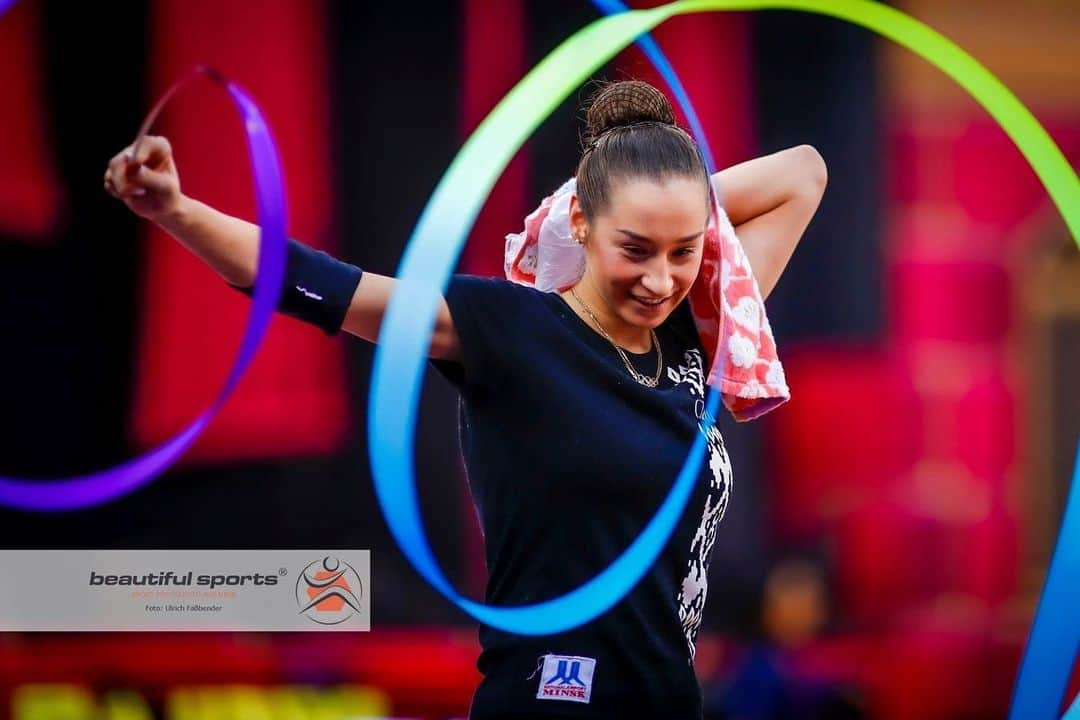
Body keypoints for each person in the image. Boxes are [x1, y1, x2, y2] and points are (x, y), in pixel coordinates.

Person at [104, 80, 826, 719]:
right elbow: (325, 287)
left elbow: (804, 173)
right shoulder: (510, 329)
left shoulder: (690, 337)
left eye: (684, 251)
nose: (661, 280)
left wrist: (670, 200)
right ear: (579, 222)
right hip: (550, 698)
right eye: (634, 248)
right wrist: (175, 210)